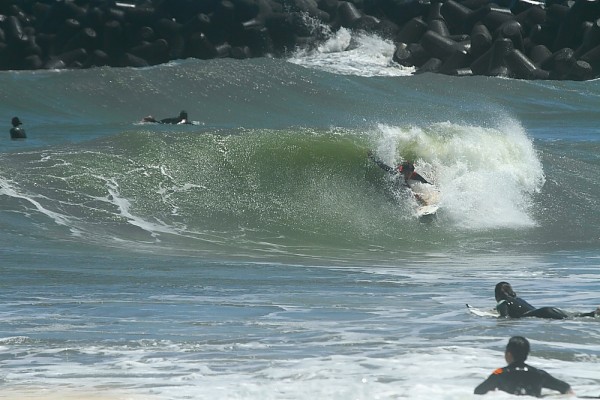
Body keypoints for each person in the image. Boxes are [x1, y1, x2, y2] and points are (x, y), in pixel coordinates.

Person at [475, 336, 574, 397]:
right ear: (527, 354)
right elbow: (565, 388)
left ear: (509, 354)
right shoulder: (539, 374)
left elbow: (478, 392)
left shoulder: (499, 373)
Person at [495, 282, 599, 319]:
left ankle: (593, 314)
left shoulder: (502, 302)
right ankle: (593, 313)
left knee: (570, 319)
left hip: (543, 313)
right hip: (544, 310)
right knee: (572, 317)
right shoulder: (517, 299)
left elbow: (505, 318)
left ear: (497, 294)